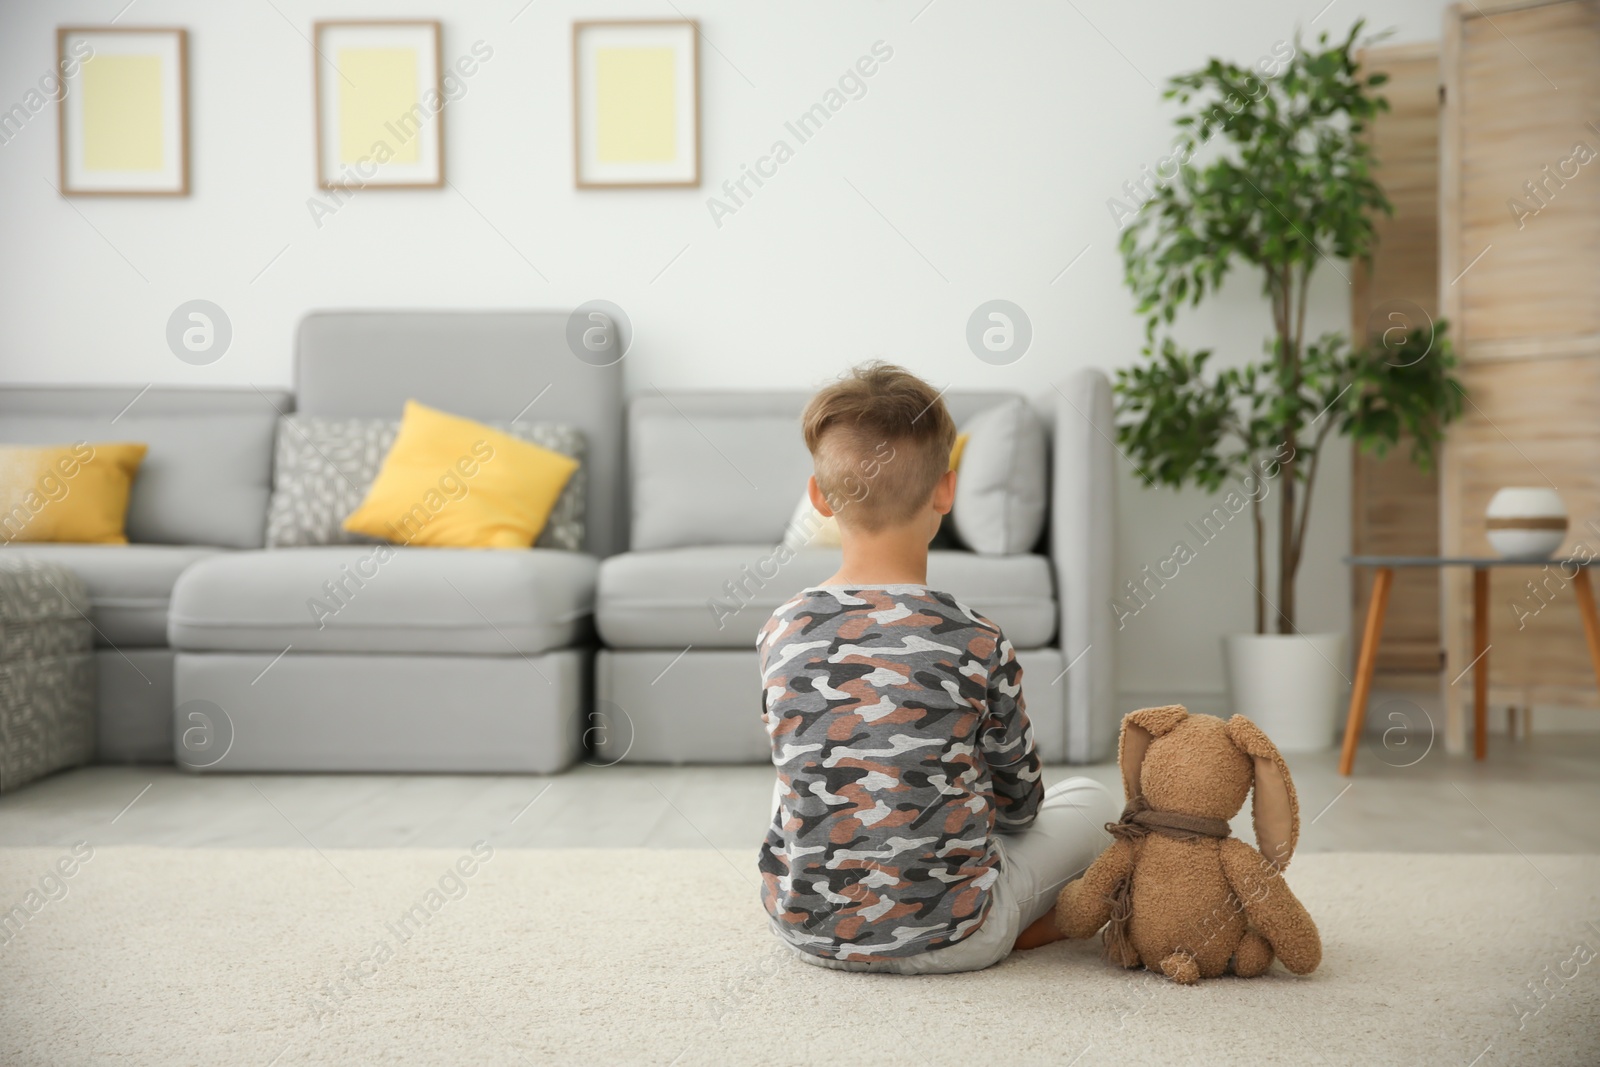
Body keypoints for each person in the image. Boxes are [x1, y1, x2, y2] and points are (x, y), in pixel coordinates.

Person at [756, 361, 1118, 974]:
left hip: (809, 934)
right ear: (945, 491)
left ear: (819, 499)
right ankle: (1019, 924)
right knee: (1092, 799)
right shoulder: (977, 638)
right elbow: (1024, 808)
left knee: (795, 771)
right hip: (957, 937)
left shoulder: (780, 629)